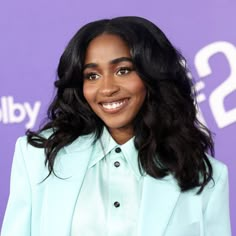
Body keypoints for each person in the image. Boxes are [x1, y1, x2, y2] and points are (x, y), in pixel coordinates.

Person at [1, 16, 231, 236]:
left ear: (152, 75)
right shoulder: (37, 157)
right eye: (91, 76)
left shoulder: (205, 176)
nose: (107, 88)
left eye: (123, 70)